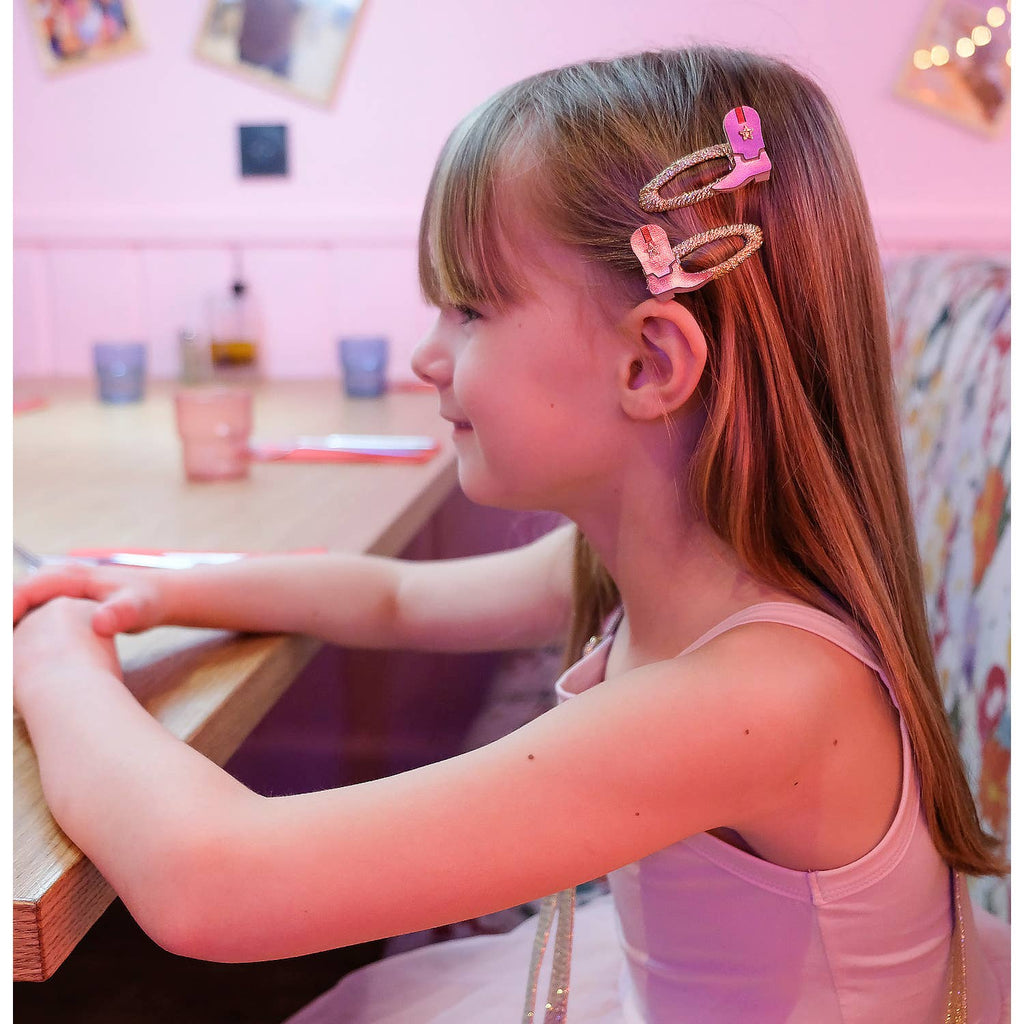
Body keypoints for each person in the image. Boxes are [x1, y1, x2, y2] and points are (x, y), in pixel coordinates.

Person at [13, 45, 1010, 1023]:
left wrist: (55, 659)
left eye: (468, 310)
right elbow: (390, 597)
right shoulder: (658, 566)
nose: (425, 355)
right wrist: (146, 589)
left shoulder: (760, 695)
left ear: (649, 364)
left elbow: (211, 882)